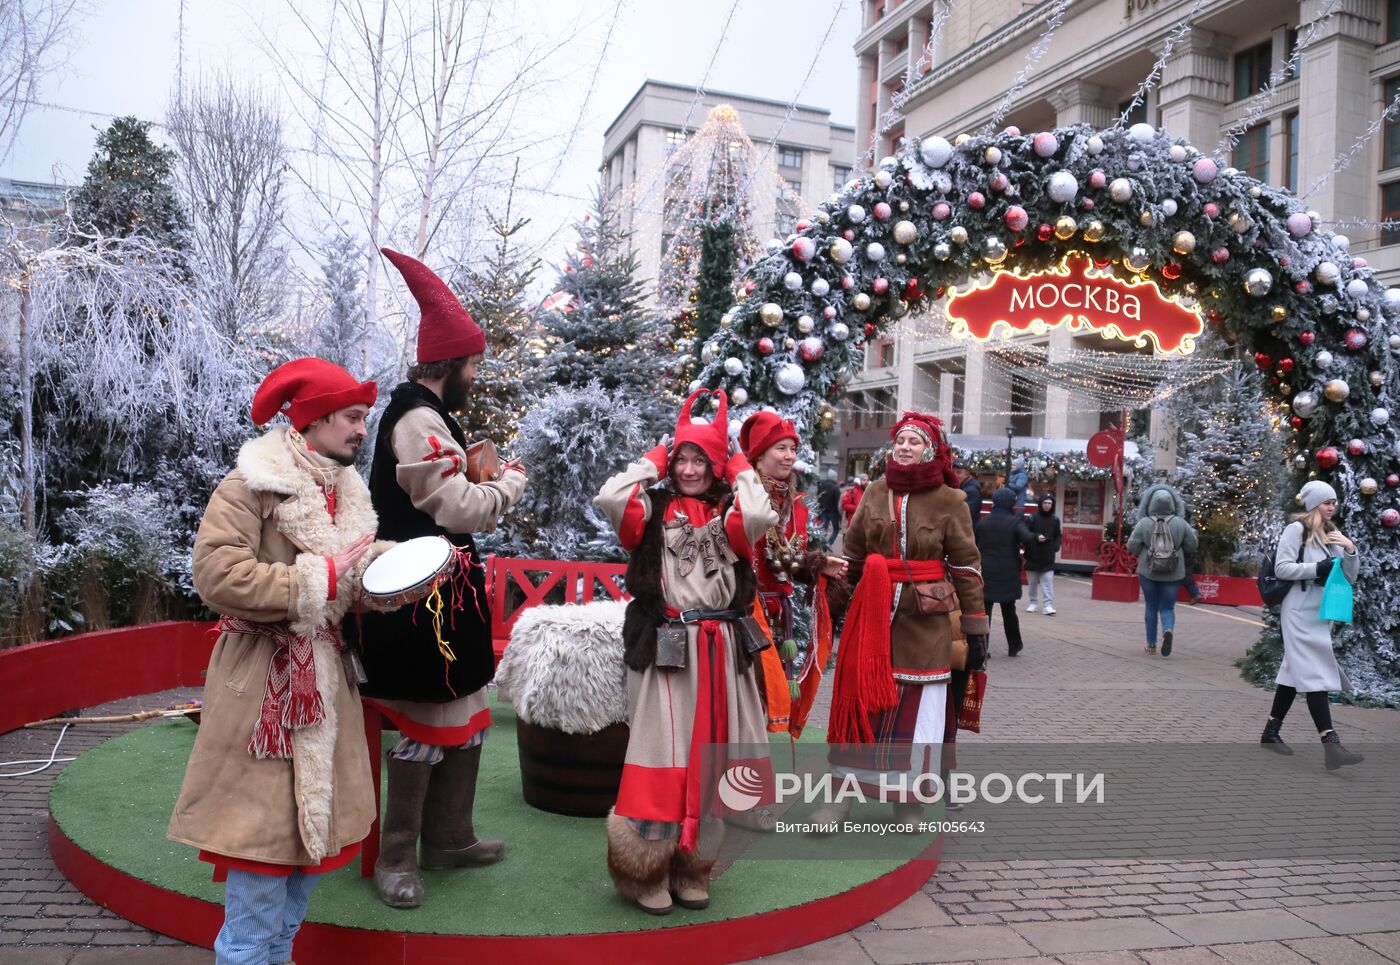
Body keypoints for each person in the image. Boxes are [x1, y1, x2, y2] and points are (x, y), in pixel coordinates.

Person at [168, 357, 386, 965]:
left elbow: (351, 583)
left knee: (301, 876)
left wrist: (394, 573)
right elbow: (217, 576)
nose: (361, 429)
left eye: (364, 417)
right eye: (351, 416)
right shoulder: (249, 485)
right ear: (312, 420)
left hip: (327, 689)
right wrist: (321, 577)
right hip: (263, 688)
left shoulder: (346, 493)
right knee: (260, 874)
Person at [354, 248, 528, 909]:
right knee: (430, 721)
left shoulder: (426, 415)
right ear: (449, 364)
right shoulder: (419, 418)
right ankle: (397, 855)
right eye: (473, 364)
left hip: (442, 599)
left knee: (467, 712)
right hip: (418, 603)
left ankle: (450, 836)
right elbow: (454, 507)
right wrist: (507, 484)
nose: (477, 376)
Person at [594, 389, 779, 915]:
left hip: (720, 651)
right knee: (663, 754)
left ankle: (694, 866)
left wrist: (739, 461)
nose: (691, 468)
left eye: (701, 459)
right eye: (683, 458)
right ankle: (645, 868)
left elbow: (760, 513)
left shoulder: (730, 513)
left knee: (715, 758)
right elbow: (611, 497)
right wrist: (654, 458)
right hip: (668, 647)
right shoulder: (649, 510)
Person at [815, 412, 988, 825]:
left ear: (930, 449)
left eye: (915, 441)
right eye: (901, 440)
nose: (905, 446)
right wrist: (835, 604)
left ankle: (908, 799)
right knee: (860, 706)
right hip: (871, 616)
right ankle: (841, 796)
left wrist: (976, 625)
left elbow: (966, 565)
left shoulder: (952, 500)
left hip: (924, 620)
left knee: (915, 709)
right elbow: (853, 555)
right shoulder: (874, 492)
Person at [729, 411, 847, 742]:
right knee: (747, 690)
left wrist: (817, 565)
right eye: (781, 448)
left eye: (792, 449)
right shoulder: (740, 495)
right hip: (743, 612)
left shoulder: (791, 501)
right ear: (759, 455)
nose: (790, 456)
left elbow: (785, 560)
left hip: (779, 613)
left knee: (773, 690)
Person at [1260, 481, 1363, 768]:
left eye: (1334, 502)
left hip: (1321, 612)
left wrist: (1351, 551)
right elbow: (1282, 568)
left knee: (1295, 670)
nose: (1332, 507)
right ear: (1313, 504)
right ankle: (1331, 744)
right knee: (1315, 674)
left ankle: (1271, 732)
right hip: (1297, 611)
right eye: (1326, 502)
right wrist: (1315, 569)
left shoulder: (1332, 534)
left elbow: (1349, 578)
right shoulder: (1297, 531)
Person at [1125, 482, 1198, 656]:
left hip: (1148, 571)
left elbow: (1131, 545)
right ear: (1174, 503)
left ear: (1149, 503)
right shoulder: (1180, 523)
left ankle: (1151, 645)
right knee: (1167, 607)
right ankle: (1168, 629)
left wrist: (1145, 552)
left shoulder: (1144, 523)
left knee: (1151, 606)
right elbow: (1192, 546)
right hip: (1173, 572)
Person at [976, 487, 1034, 656]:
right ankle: (1014, 645)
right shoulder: (1014, 522)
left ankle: (982, 648)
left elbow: (974, 542)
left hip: (986, 570)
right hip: (1008, 570)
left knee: (985, 612)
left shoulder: (984, 522)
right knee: (1009, 610)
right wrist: (1027, 556)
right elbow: (1028, 538)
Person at [1024, 493, 1062, 615]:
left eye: (1049, 503)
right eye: (1045, 503)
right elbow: (1025, 533)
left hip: (1048, 555)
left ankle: (1048, 605)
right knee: (1033, 583)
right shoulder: (1032, 518)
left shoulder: (1055, 520)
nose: (1047, 505)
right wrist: (1036, 537)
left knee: (1048, 582)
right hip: (1033, 554)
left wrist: (1056, 546)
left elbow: (1058, 535)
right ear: (1040, 504)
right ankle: (1033, 602)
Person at [816, 468, 843, 543]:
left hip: (823, 510)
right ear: (833, 477)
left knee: (823, 528)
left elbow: (818, 497)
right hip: (833, 512)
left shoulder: (821, 485)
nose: (837, 479)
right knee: (836, 529)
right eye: (836, 477)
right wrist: (839, 514)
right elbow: (838, 501)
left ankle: (821, 543)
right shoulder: (835, 487)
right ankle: (829, 543)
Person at [954, 460, 982, 527]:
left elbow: (965, 514)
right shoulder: (963, 486)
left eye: (958, 472)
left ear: (967, 474)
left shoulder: (971, 491)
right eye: (953, 472)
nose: (955, 475)